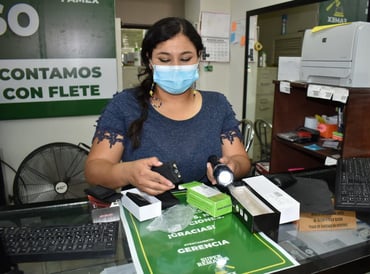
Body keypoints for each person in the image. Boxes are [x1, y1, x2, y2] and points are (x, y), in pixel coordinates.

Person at [85, 17, 251, 195]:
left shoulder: (217, 104)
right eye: (165, 60)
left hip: (209, 211)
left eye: (186, 58)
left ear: (199, 58)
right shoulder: (125, 105)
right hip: (147, 215)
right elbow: (94, 171)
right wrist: (127, 173)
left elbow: (241, 159)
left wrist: (234, 166)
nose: (176, 67)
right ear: (149, 60)